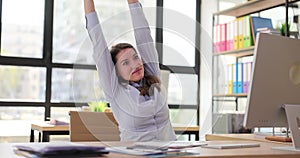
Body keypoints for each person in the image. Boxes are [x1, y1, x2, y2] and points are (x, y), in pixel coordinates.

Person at [83, 0, 176, 141]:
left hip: (171, 153)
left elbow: (143, 34)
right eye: (126, 63)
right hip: (136, 154)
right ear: (116, 72)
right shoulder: (115, 90)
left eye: (135, 57)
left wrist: (132, 2)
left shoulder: (152, 76)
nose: (135, 64)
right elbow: (98, 42)